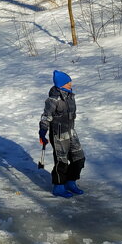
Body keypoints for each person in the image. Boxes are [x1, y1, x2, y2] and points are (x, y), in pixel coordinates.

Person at [38, 70, 85, 198]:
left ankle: (71, 182)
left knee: (79, 158)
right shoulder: (53, 100)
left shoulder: (70, 96)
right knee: (61, 161)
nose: (71, 83)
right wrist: (43, 132)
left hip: (71, 132)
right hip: (58, 134)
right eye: (68, 82)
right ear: (62, 84)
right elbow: (46, 117)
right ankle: (59, 186)